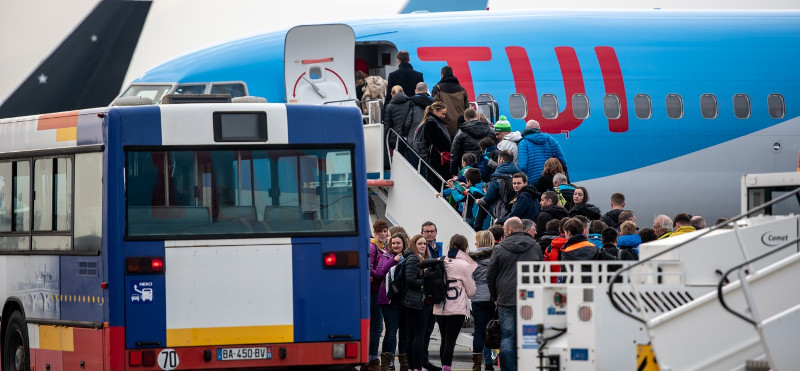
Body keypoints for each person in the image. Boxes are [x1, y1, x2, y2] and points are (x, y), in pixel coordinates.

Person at [486, 217, 542, 371]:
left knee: (507, 337)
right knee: (528, 338)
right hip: (530, 297)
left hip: (506, 297)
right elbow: (541, 271)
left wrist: (495, 297)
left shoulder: (499, 248)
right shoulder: (535, 247)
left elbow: (490, 275)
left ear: (509, 230)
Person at [434, 235, 477, 371]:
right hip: (456, 307)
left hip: (440, 306)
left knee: (444, 340)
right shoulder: (464, 265)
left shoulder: (441, 261)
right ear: (464, 247)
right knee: (451, 341)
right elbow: (471, 291)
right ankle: (447, 368)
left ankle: (443, 367)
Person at [377, 233, 406, 370]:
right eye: (393, 243)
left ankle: (395, 362)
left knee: (401, 333)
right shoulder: (385, 257)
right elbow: (381, 272)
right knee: (391, 332)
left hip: (403, 300)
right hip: (388, 300)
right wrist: (394, 260)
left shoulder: (408, 258)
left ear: (404, 244)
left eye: (398, 243)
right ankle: (386, 363)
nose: (395, 245)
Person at [401, 234, 430, 371]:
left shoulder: (420, 258)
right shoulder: (413, 259)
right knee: (418, 334)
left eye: (424, 243)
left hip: (414, 301)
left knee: (413, 335)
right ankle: (417, 366)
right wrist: (426, 284)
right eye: (420, 244)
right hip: (413, 302)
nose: (423, 246)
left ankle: (413, 366)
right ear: (414, 245)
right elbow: (411, 280)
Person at [469, 230, 497, 371]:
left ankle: (476, 364)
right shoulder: (496, 256)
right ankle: (489, 362)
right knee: (492, 330)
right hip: (494, 297)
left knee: (479, 330)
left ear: (480, 241)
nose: (474, 242)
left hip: (478, 297)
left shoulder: (473, 258)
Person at [419, 222, 442, 371]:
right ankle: (421, 359)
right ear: (422, 232)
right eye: (426, 232)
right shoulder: (420, 248)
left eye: (432, 231)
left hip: (434, 295)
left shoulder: (437, 247)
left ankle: (423, 359)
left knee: (428, 329)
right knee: (422, 330)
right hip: (423, 295)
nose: (429, 234)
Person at [476, 151, 519, 227]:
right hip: (517, 211)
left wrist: (479, 201)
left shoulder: (497, 177)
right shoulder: (519, 174)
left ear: (501, 160)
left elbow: (488, 198)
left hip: (501, 213)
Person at [517, 120, 567, 185]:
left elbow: (522, 166)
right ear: (538, 127)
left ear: (526, 128)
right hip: (552, 180)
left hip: (533, 181)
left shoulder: (523, 143)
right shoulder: (550, 139)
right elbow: (562, 161)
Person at [368, 220, 390, 369]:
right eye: (380, 231)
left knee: (374, 326)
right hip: (373, 290)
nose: (383, 234)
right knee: (377, 327)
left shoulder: (383, 247)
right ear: (375, 232)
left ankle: (370, 358)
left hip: (378, 290)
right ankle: (372, 359)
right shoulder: (373, 247)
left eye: (385, 231)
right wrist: (381, 274)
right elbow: (369, 269)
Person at [449, 108, 494, 176]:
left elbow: (455, 153)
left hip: (469, 168)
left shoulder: (461, 132)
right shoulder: (490, 130)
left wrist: (454, 172)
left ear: (465, 119)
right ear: (477, 116)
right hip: (487, 166)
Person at [420, 101, 452, 186]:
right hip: (437, 158)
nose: (444, 116)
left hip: (437, 157)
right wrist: (450, 147)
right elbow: (437, 142)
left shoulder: (433, 121)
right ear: (435, 111)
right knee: (440, 182)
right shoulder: (431, 123)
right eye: (443, 114)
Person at [432, 65, 469, 137]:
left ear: (442, 75)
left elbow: (434, 108)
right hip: (460, 128)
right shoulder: (462, 89)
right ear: (453, 74)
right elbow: (467, 108)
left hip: (444, 129)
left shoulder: (438, 88)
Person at [404, 83, 436, 165]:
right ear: (426, 90)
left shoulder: (410, 102)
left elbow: (407, 122)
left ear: (415, 91)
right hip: (430, 140)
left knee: (414, 166)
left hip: (413, 139)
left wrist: (405, 134)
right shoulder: (434, 103)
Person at [384, 85, 411, 157]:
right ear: (403, 92)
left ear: (392, 94)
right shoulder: (410, 103)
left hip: (396, 137)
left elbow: (387, 125)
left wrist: (387, 140)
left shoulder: (389, 106)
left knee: (398, 160)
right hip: (409, 136)